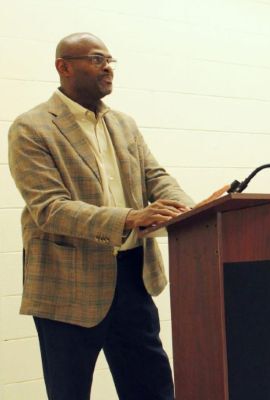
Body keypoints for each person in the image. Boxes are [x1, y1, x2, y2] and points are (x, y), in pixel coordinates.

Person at [8, 32, 195, 400]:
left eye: (110, 60)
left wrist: (186, 209)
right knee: (70, 391)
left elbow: (155, 177)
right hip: (67, 282)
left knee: (152, 388)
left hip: (133, 276)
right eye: (96, 59)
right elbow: (49, 208)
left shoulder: (123, 124)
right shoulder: (31, 127)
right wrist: (129, 218)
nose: (107, 68)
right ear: (63, 67)